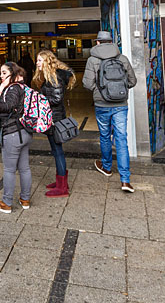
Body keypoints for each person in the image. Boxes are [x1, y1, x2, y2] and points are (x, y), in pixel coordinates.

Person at [83, 31, 137, 193]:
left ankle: (106, 167)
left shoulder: (93, 60)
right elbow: (132, 81)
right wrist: (118, 90)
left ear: (98, 42)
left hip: (101, 104)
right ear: (111, 42)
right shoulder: (122, 58)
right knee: (121, 139)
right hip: (121, 104)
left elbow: (87, 84)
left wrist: (101, 91)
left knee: (105, 135)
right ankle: (125, 180)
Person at [0, 62, 32, 213]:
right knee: (24, 168)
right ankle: (25, 199)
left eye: (4, 73)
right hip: (25, 132)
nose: (1, 76)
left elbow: (9, 105)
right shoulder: (23, 87)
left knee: (9, 170)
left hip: (13, 134)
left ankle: (7, 203)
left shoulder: (13, 88)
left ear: (12, 74)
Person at [32, 50, 76, 198]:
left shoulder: (54, 77)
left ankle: (62, 187)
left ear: (47, 61)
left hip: (54, 120)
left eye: (39, 60)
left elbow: (56, 99)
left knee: (58, 152)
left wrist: (39, 100)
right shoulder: (51, 76)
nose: (37, 63)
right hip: (53, 118)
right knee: (56, 150)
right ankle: (60, 181)